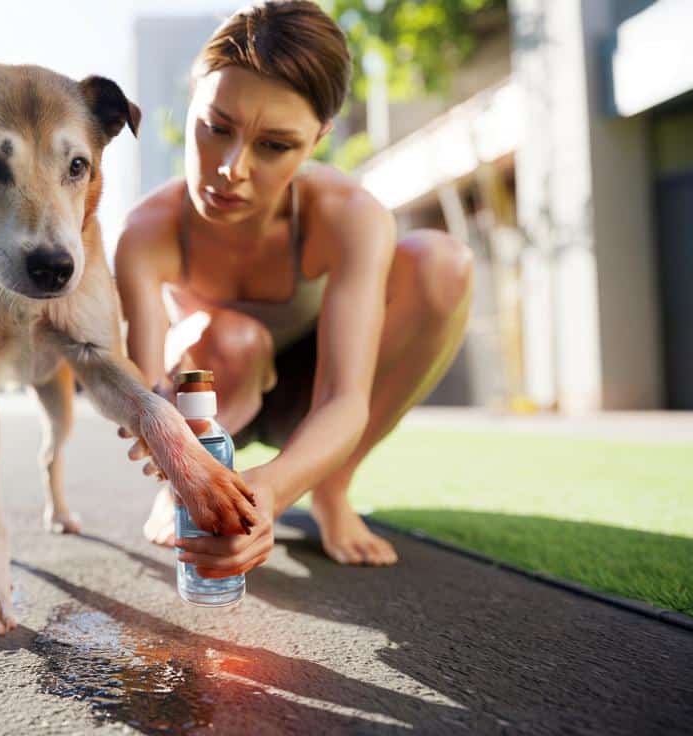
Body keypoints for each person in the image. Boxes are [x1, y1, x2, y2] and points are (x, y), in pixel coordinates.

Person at [114, 0, 472, 575]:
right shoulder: (145, 231)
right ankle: (194, 482)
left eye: (274, 145)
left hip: (308, 402)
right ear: (192, 100)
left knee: (441, 262)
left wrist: (275, 490)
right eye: (215, 128)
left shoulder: (348, 214)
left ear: (317, 140)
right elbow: (146, 386)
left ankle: (332, 486)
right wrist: (175, 457)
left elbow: (343, 397)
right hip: (215, 402)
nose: (232, 167)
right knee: (229, 336)